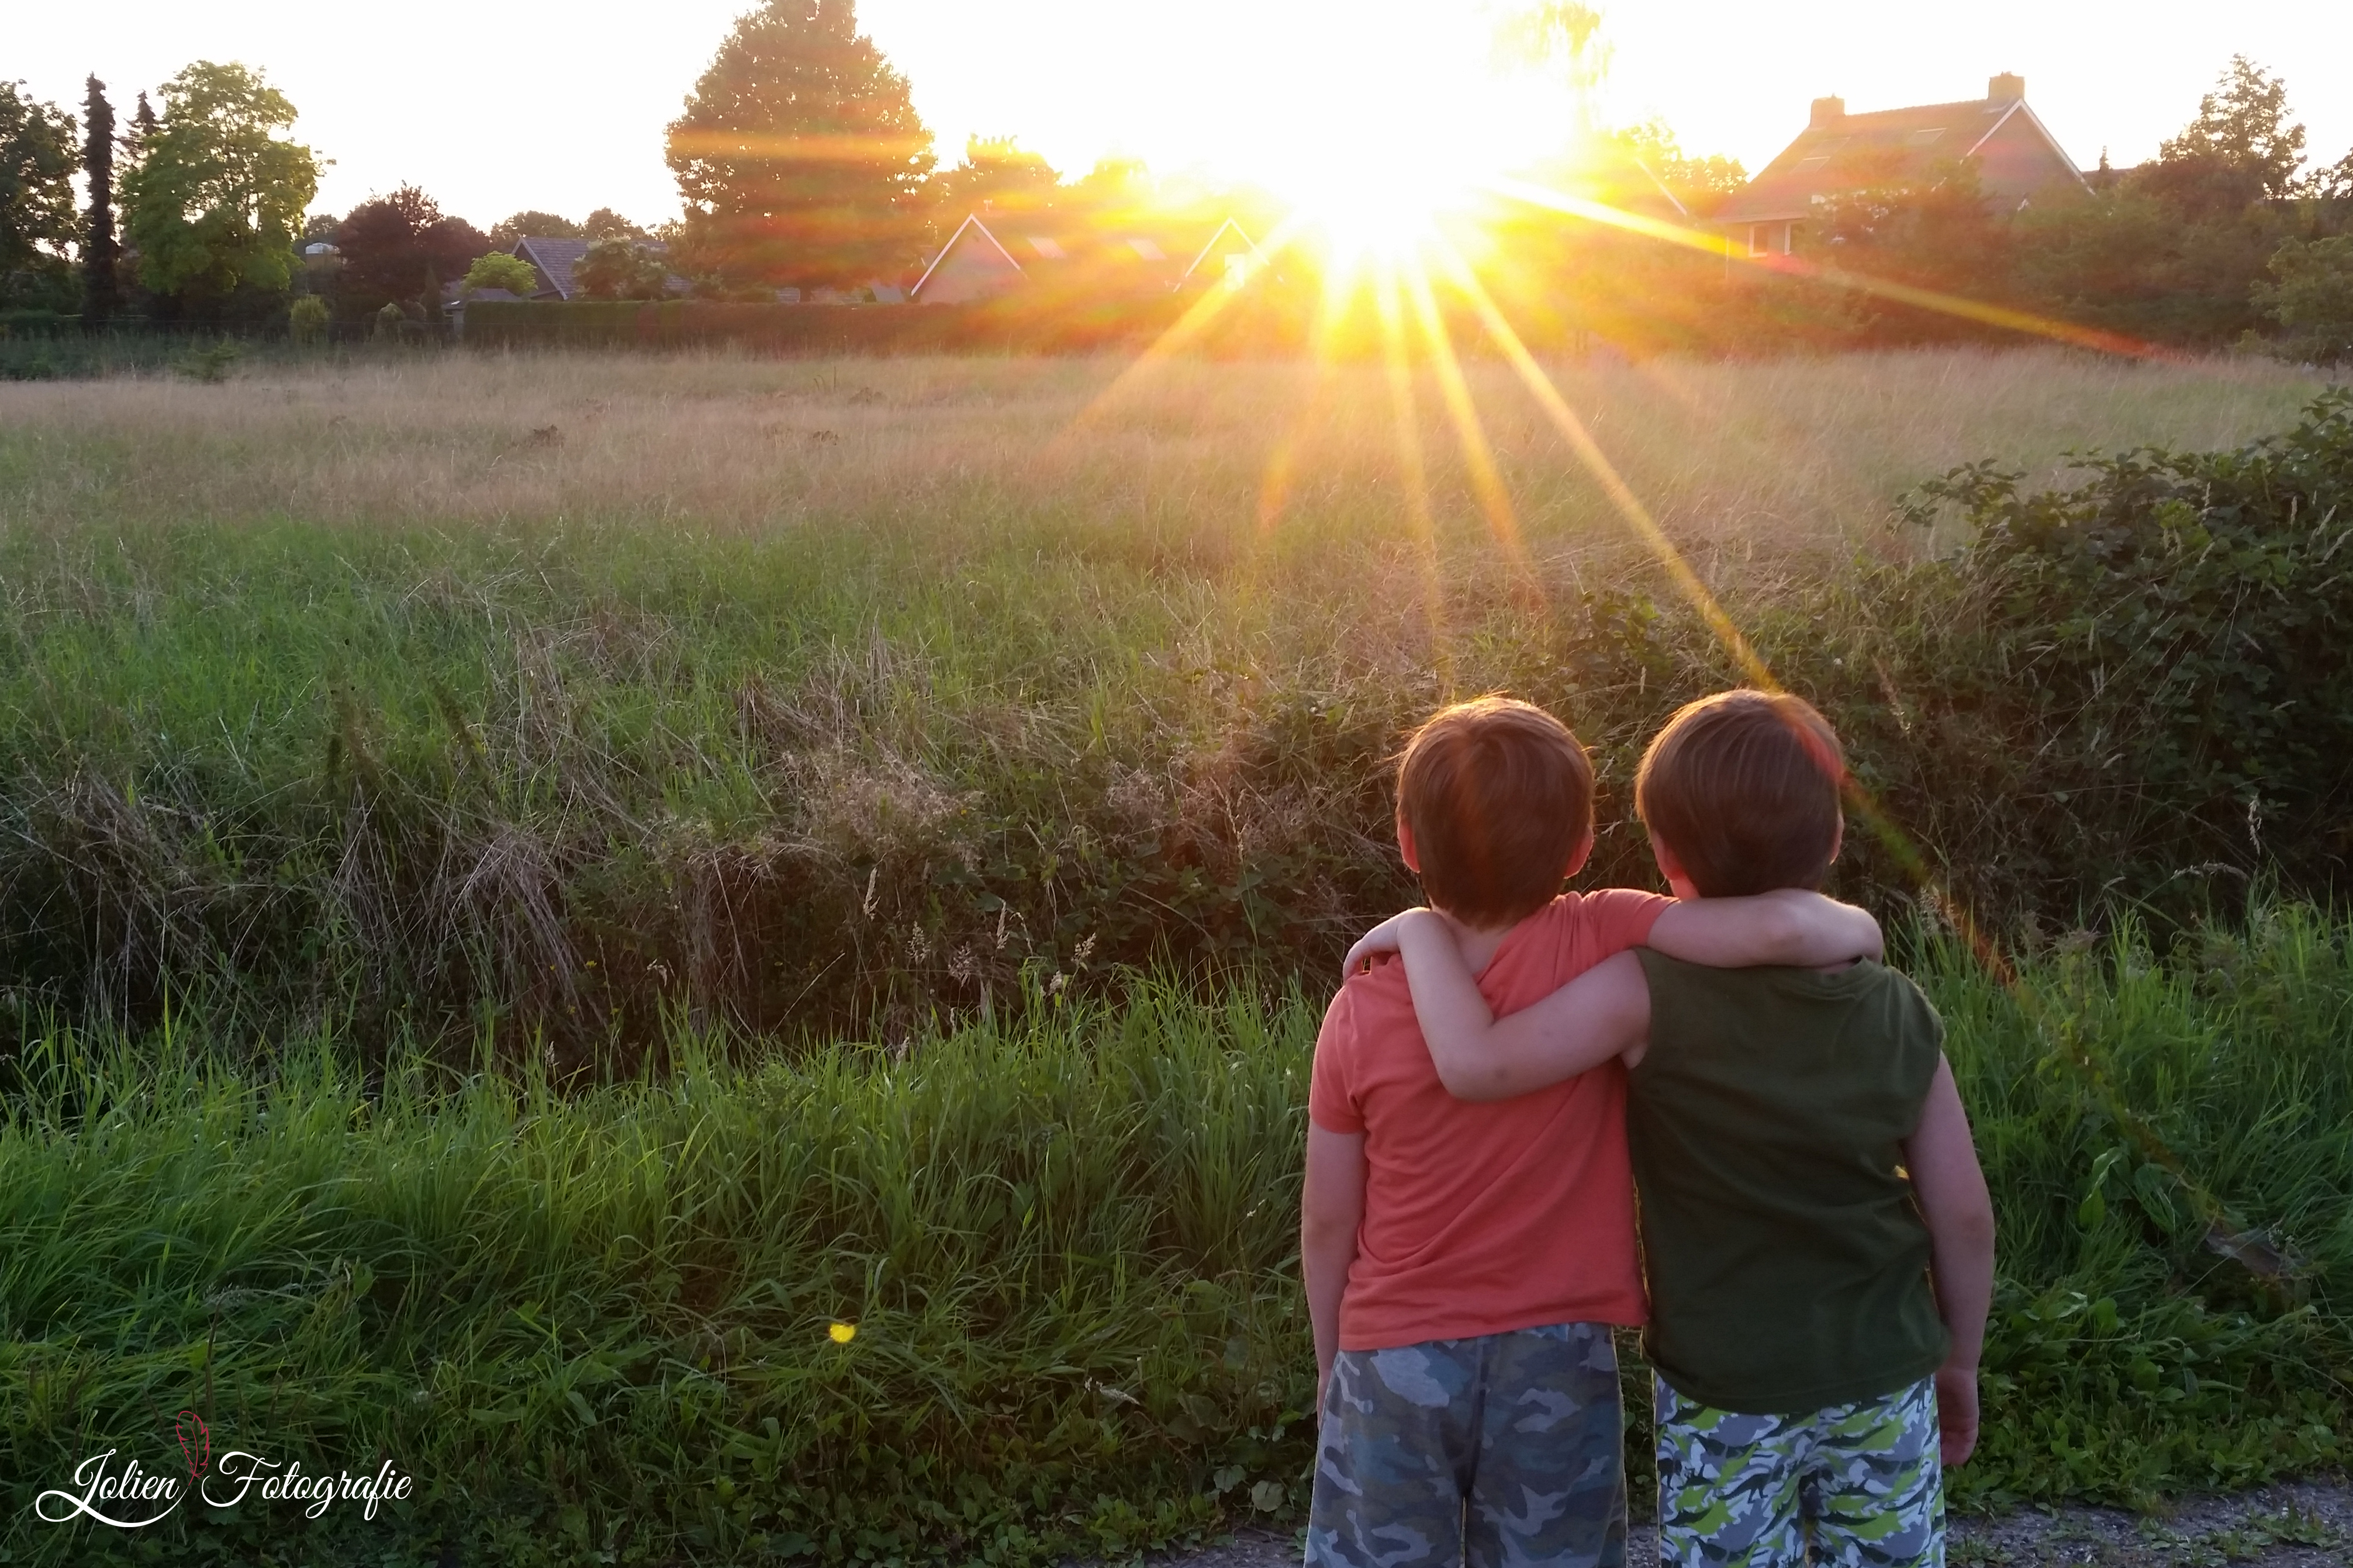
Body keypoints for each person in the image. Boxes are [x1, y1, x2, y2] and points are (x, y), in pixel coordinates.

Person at [1351, 689, 1996, 1568]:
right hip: (1885, 1373)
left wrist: (1421, 934)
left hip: (1720, 1388)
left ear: (1664, 855)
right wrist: (1958, 1362)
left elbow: (1483, 1064)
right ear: (1836, 837)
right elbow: (1964, 1217)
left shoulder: (1642, 992)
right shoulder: (1897, 1009)